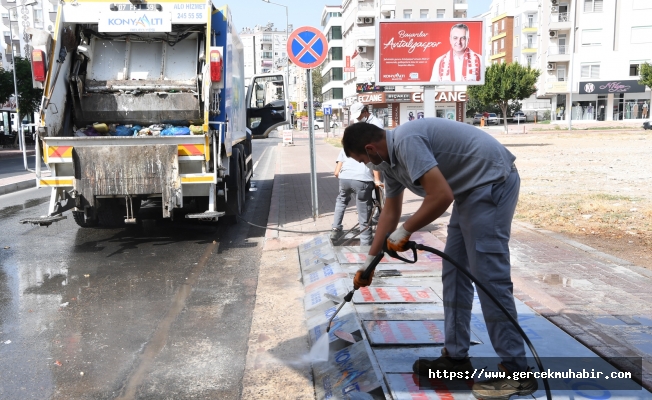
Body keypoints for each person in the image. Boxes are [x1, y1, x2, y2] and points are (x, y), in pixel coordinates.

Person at [341, 118, 537, 399]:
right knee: (454, 274)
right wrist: (368, 263)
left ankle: (518, 373)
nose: (367, 167)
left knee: (488, 278)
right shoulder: (389, 163)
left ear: (371, 149)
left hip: (492, 182)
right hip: (467, 191)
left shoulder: (407, 142)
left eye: (363, 160)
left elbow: (440, 196)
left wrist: (406, 231)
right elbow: (390, 212)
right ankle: (456, 358)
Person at [331, 103, 384, 244]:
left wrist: (342, 174)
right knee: (363, 207)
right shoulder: (365, 140)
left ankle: (335, 230)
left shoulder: (374, 126)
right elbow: (375, 161)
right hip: (363, 179)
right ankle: (366, 240)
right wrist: (377, 180)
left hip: (345, 177)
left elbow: (337, 169)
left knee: (341, 201)